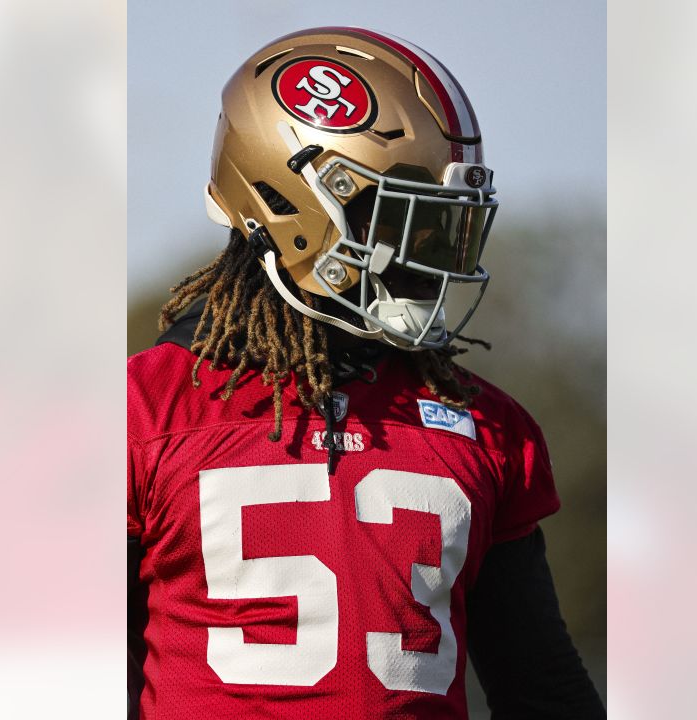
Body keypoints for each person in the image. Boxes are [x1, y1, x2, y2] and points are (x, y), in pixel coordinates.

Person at [128, 27, 605, 719]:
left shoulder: (488, 428)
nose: (429, 260)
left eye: (444, 229)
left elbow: (542, 685)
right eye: (399, 225)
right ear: (291, 206)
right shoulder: (143, 412)